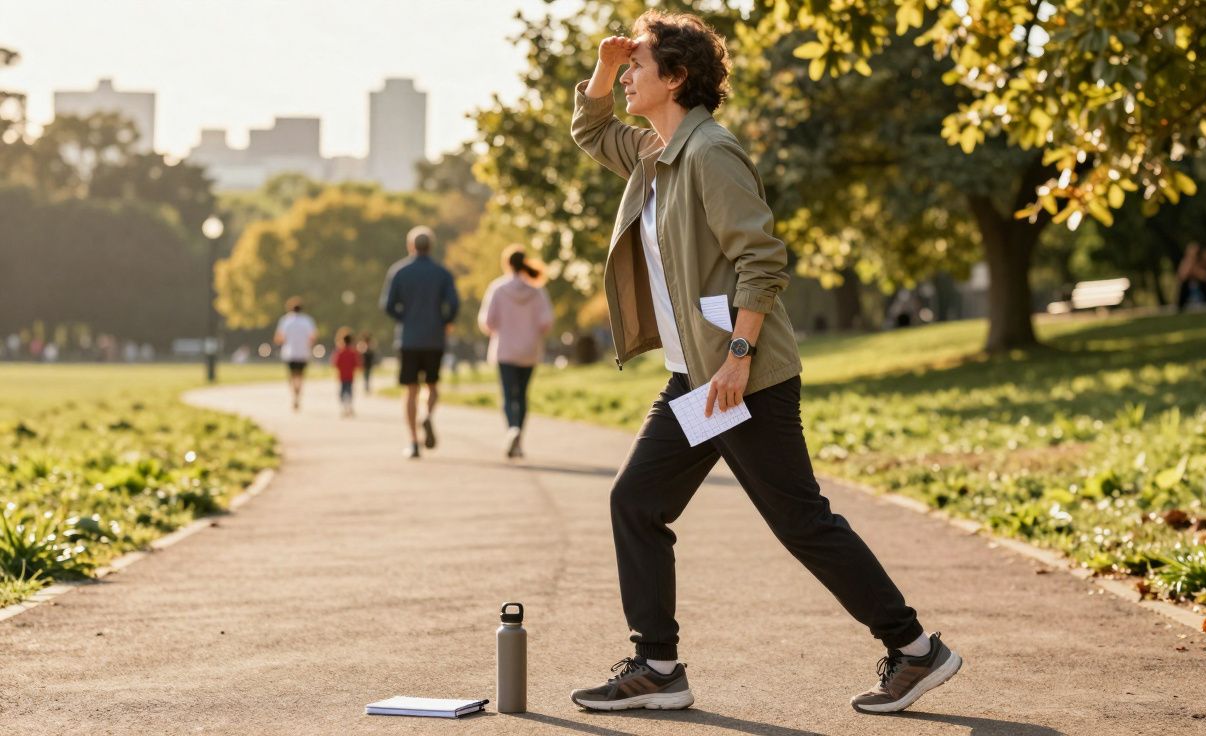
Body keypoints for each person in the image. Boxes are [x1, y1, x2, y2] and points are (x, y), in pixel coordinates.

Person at [567, 11, 960, 716]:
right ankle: (658, 666)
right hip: (698, 378)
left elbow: (761, 259)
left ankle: (915, 651)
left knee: (801, 523)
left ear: (677, 77)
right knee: (637, 502)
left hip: (744, 379)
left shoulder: (710, 152)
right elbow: (590, 131)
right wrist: (604, 61)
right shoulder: (657, 153)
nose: (627, 74)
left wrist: (740, 357)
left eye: (639, 65)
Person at [380, 225, 459, 458]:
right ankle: (428, 415)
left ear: (410, 246)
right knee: (432, 385)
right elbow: (453, 304)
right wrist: (444, 321)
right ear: (431, 246)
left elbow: (387, 305)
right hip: (434, 338)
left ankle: (413, 440)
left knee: (410, 390)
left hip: (409, 338)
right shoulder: (442, 273)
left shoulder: (399, 272)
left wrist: (404, 318)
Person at [478, 245, 555, 459]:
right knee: (521, 395)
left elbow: (487, 322)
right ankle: (519, 438)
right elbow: (547, 322)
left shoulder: (498, 288)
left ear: (506, 264)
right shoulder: (537, 290)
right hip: (529, 351)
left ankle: (512, 428)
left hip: (505, 350)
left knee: (507, 393)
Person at [273, 297, 317, 411]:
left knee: (292, 376)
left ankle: (294, 395)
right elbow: (313, 337)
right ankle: (298, 394)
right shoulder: (307, 321)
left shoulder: (285, 321)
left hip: (290, 353)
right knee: (300, 376)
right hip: (303, 353)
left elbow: (279, 338)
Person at [331, 327, 360, 417]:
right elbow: (357, 364)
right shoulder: (353, 352)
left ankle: (344, 408)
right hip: (350, 376)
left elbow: (335, 363)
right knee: (350, 392)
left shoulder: (339, 352)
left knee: (342, 393)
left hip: (342, 376)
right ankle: (349, 406)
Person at [1175, 242, 1206, 310]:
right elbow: (1182, 276)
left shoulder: (1202, 262)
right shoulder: (1187, 263)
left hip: (1201, 291)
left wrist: (1195, 272)